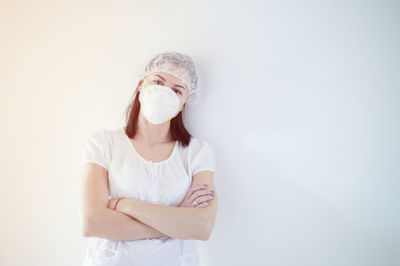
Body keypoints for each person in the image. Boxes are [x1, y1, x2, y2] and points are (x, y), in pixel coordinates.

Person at [80, 51, 218, 266]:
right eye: (158, 82)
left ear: (183, 103)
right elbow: (93, 223)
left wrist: (126, 205)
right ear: (141, 84)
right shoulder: (104, 143)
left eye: (176, 90)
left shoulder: (197, 151)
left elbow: (202, 227)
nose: (164, 93)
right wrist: (178, 219)